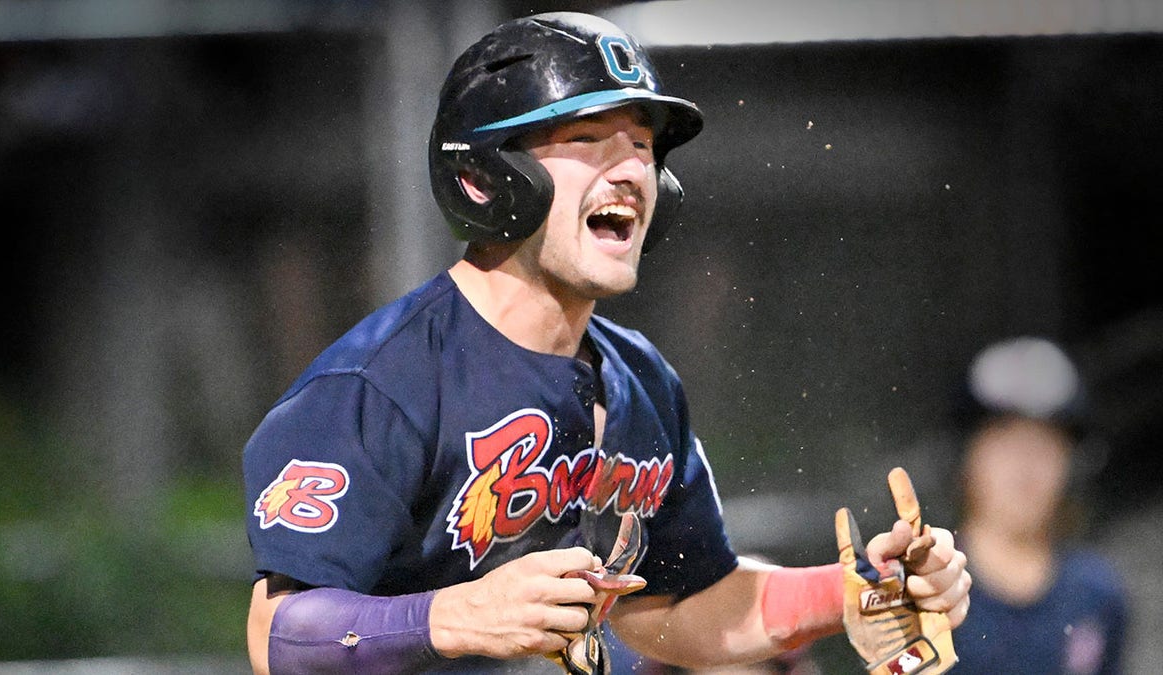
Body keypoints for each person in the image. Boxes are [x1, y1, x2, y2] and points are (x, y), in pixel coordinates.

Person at [242, 11, 970, 674]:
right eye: (588, 140)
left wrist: (852, 592)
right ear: (486, 176)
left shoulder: (643, 381)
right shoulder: (381, 382)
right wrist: (455, 615)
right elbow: (277, 636)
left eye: (643, 146)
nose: (631, 170)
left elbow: (674, 615)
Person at [949, 337, 1128, 674]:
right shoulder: (920, 595)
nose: (1026, 466)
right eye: (1007, 440)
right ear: (969, 456)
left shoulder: (1097, 594)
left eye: (1045, 445)